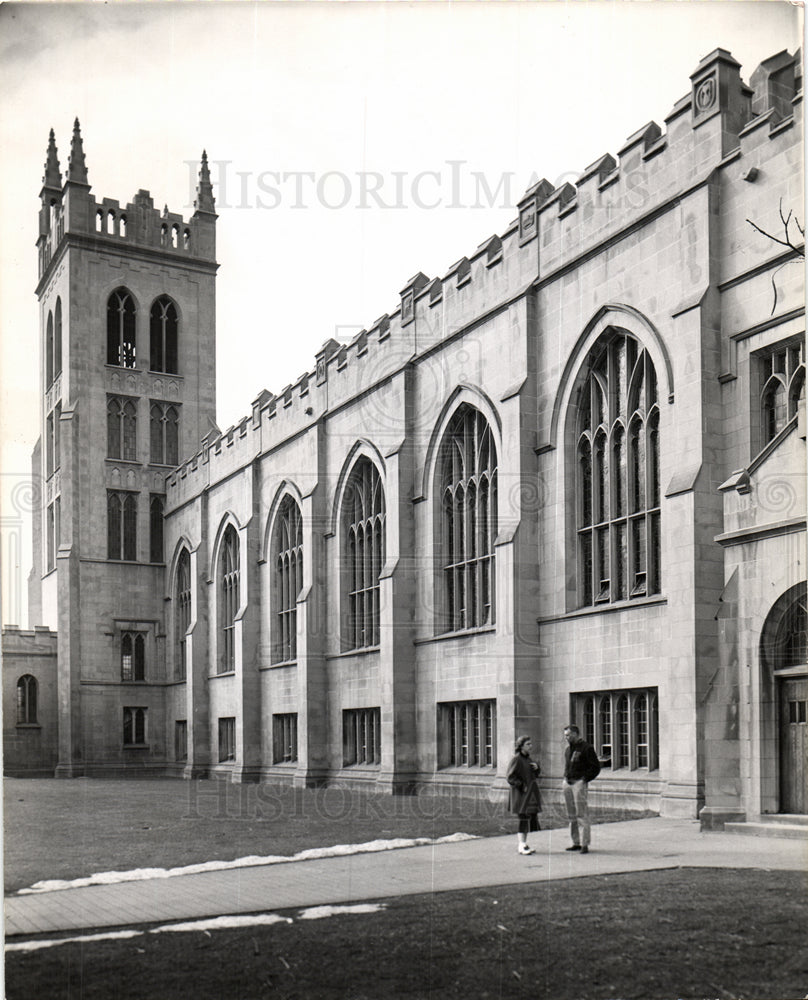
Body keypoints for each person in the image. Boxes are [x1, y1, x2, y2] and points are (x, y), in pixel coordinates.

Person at [562, 724, 601, 854]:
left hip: (579, 783)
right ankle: (575, 842)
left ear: (575, 734)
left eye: (567, 735)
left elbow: (595, 767)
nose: (566, 737)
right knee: (571, 814)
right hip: (568, 783)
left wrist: (584, 779)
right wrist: (565, 778)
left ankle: (585, 843)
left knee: (581, 813)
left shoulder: (587, 748)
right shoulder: (568, 750)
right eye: (565, 735)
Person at [506, 735, 542, 855]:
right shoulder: (517, 759)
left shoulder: (528, 759)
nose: (531, 746)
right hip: (521, 794)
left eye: (531, 744)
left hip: (529, 794)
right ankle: (521, 845)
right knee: (523, 818)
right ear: (521, 746)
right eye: (528, 744)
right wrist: (522, 785)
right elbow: (510, 777)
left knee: (527, 818)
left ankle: (524, 843)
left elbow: (533, 775)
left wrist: (537, 769)